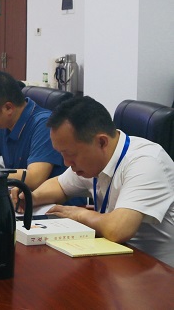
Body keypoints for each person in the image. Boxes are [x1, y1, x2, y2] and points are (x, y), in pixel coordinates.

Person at [12, 96, 174, 267]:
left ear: (102, 142)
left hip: (157, 271)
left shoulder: (146, 162)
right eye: (62, 154)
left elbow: (118, 230)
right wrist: (31, 197)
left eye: (70, 154)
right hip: (116, 259)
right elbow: (60, 185)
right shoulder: (95, 159)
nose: (66, 163)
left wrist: (79, 214)